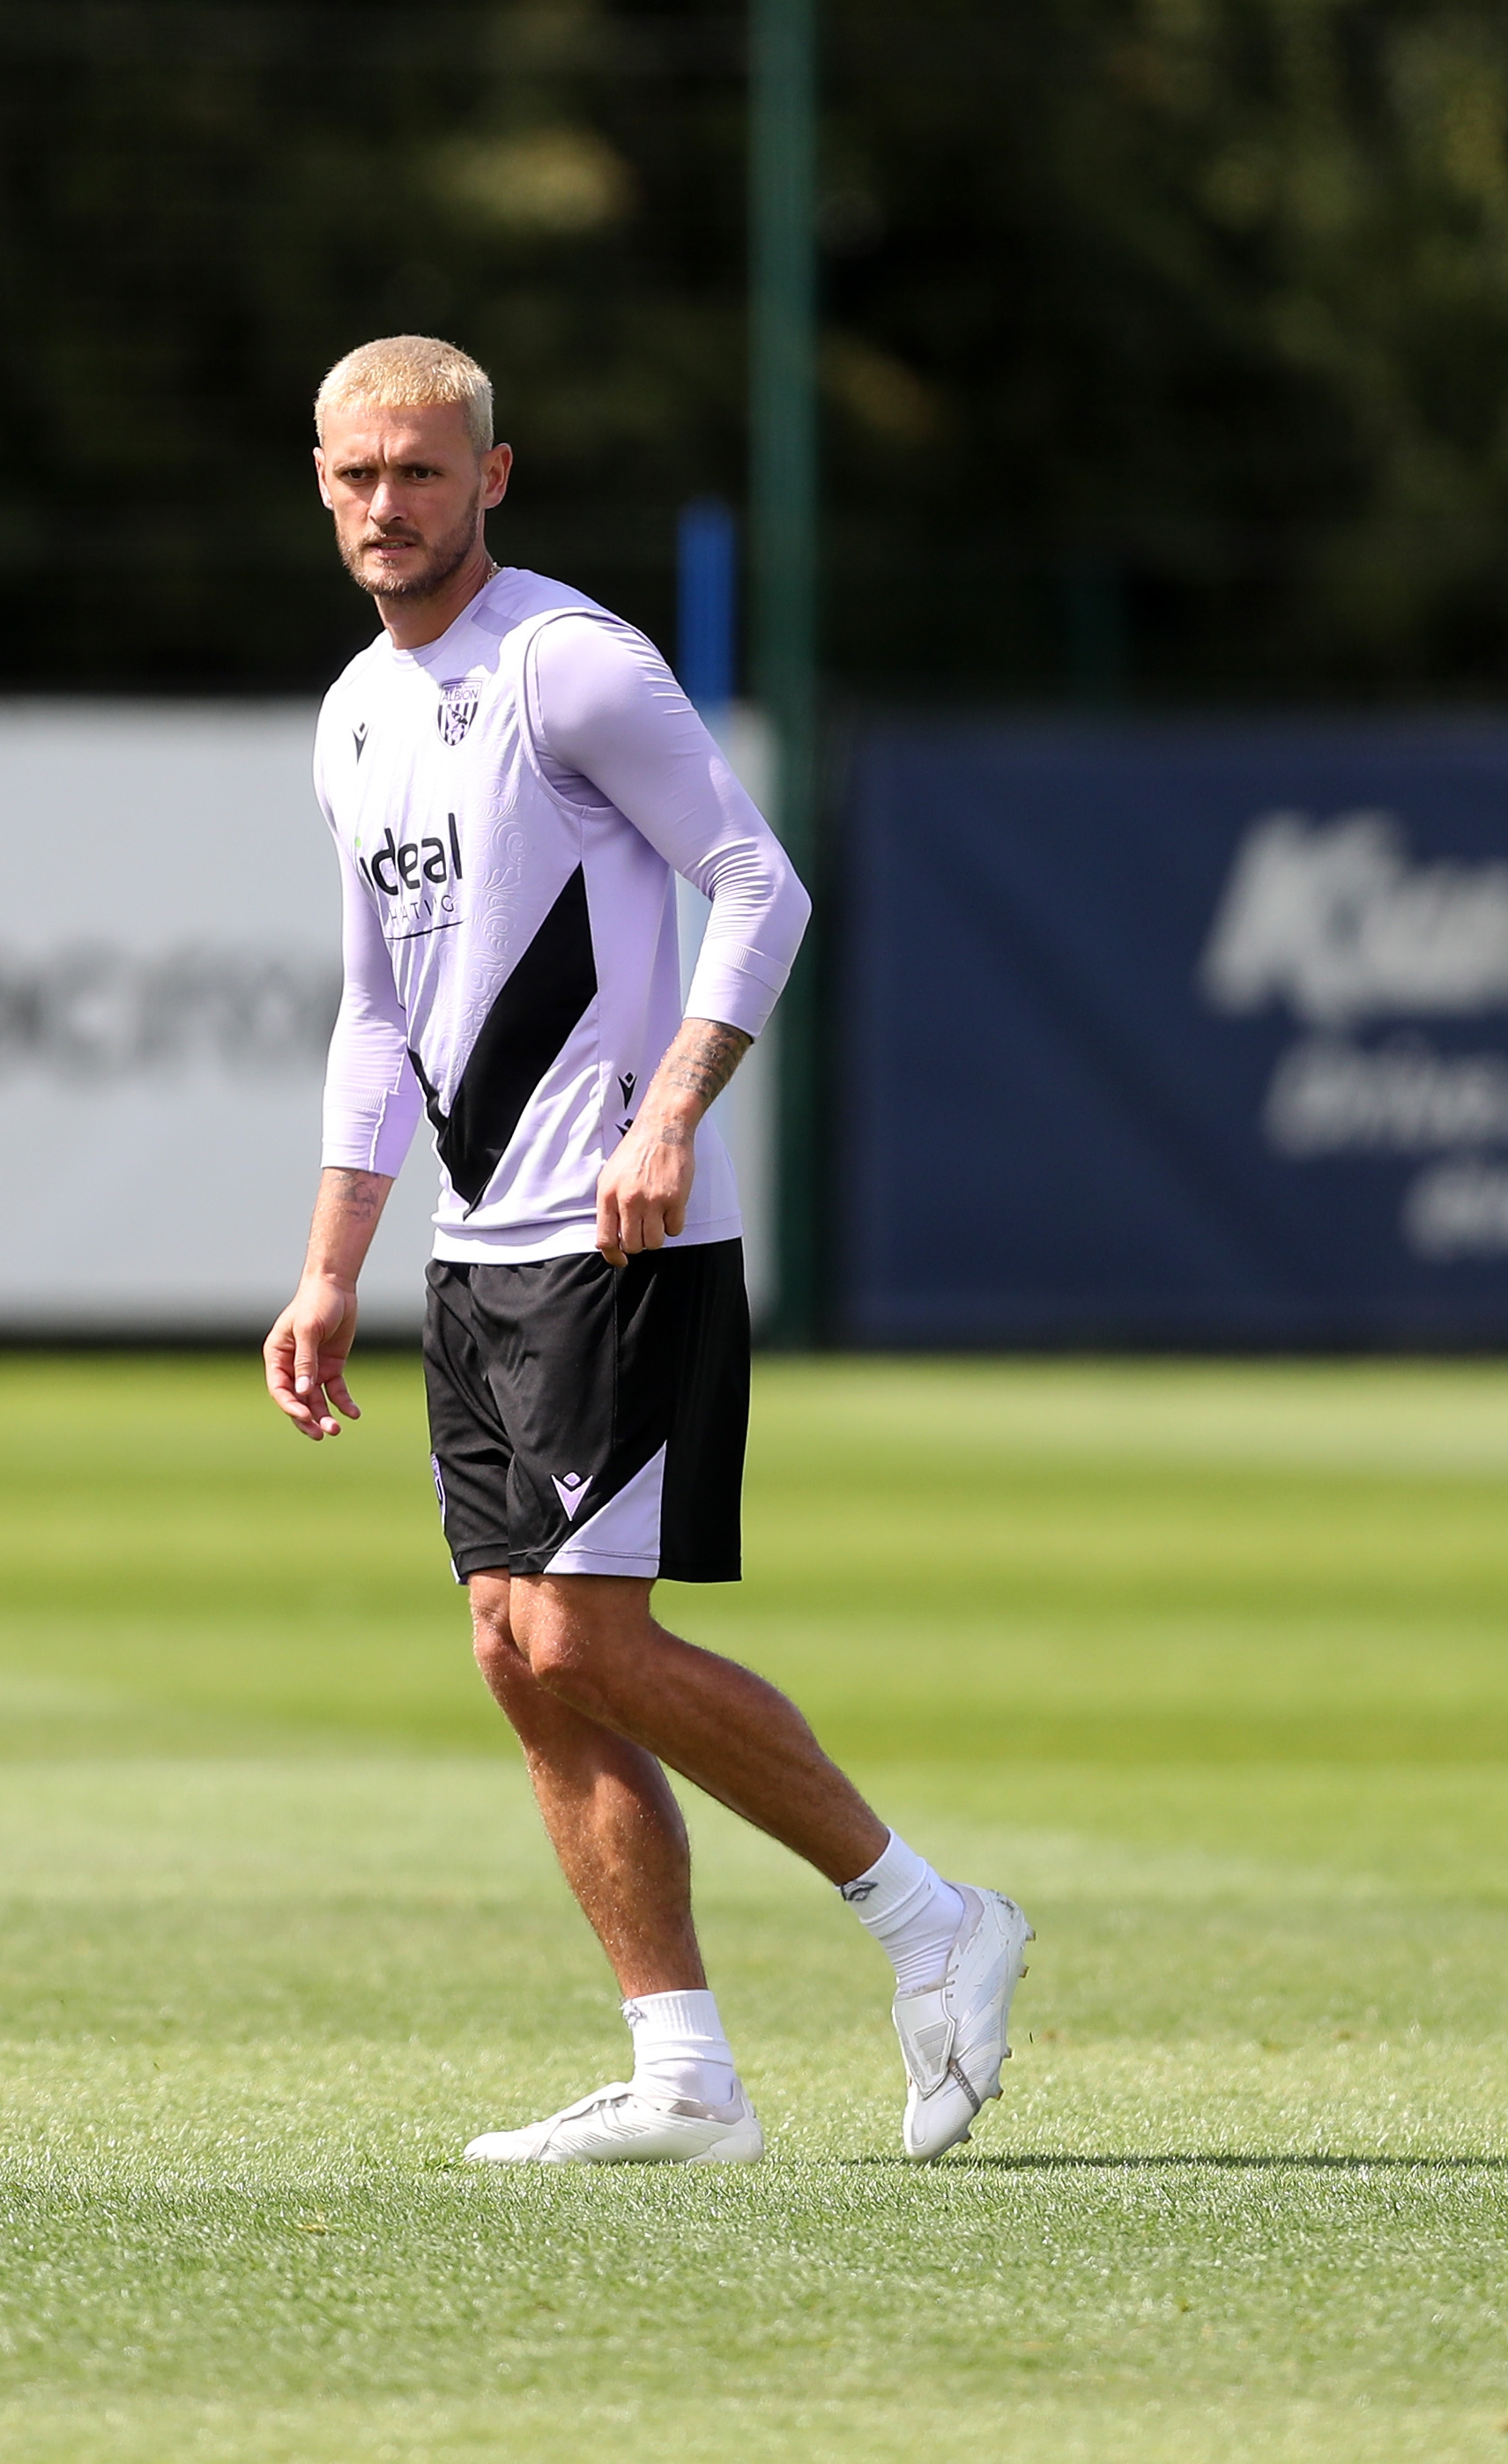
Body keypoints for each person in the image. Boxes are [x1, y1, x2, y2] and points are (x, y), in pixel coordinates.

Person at [261, 334, 1029, 2166]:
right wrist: (324, 1264)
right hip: (475, 1246)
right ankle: (679, 2070)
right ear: (317, 480)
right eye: (357, 475)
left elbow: (760, 878)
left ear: (490, 477)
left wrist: (675, 1109)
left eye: (422, 474)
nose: (388, 505)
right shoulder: (351, 716)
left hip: (621, 1227)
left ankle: (931, 1917)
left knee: (578, 1627)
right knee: (515, 1653)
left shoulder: (566, 663)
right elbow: (376, 1017)